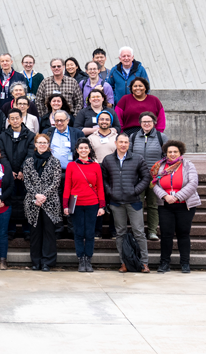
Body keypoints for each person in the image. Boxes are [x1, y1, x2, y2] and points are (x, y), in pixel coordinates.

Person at [101, 131, 150, 273]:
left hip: (133, 201)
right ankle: (124, 263)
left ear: (129, 144)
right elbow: (103, 180)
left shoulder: (138, 159)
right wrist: (110, 192)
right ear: (115, 143)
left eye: (126, 142)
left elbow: (146, 178)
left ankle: (144, 263)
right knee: (120, 233)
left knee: (139, 232)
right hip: (116, 203)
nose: (123, 145)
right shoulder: (108, 160)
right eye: (121, 142)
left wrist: (135, 191)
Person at [151, 141, 199, 273]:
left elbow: (193, 183)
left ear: (180, 152)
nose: (172, 154)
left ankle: (185, 263)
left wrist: (178, 197)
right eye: (170, 152)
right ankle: (164, 263)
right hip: (165, 205)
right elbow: (154, 184)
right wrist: (165, 196)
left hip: (185, 205)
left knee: (183, 234)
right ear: (166, 153)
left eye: (175, 152)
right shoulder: (159, 166)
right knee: (166, 234)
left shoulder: (188, 165)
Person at [63, 139, 105, 272]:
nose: (83, 150)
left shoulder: (96, 166)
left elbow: (100, 187)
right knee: (79, 232)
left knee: (90, 233)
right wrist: (65, 205)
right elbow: (67, 186)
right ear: (77, 150)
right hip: (77, 203)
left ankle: (88, 259)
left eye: (86, 148)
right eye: (80, 148)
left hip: (92, 202)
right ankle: (81, 259)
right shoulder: (71, 166)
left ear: (89, 150)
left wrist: (102, 206)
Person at [23, 134, 63, 271]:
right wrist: (36, 196)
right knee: (35, 233)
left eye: (45, 143)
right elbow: (27, 182)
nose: (42, 145)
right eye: (39, 142)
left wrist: (43, 196)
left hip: (50, 202)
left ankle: (47, 261)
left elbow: (56, 181)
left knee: (49, 233)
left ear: (48, 145)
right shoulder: (28, 162)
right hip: (33, 202)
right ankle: (36, 261)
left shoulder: (55, 161)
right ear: (35, 144)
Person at [130, 113, 166, 241]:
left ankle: (152, 231)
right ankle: (138, 231)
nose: (146, 124)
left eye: (149, 121)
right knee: (137, 204)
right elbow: (129, 155)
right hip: (137, 177)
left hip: (154, 177)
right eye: (144, 121)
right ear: (140, 123)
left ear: (154, 122)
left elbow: (166, 157)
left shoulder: (161, 137)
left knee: (152, 204)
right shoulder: (133, 137)